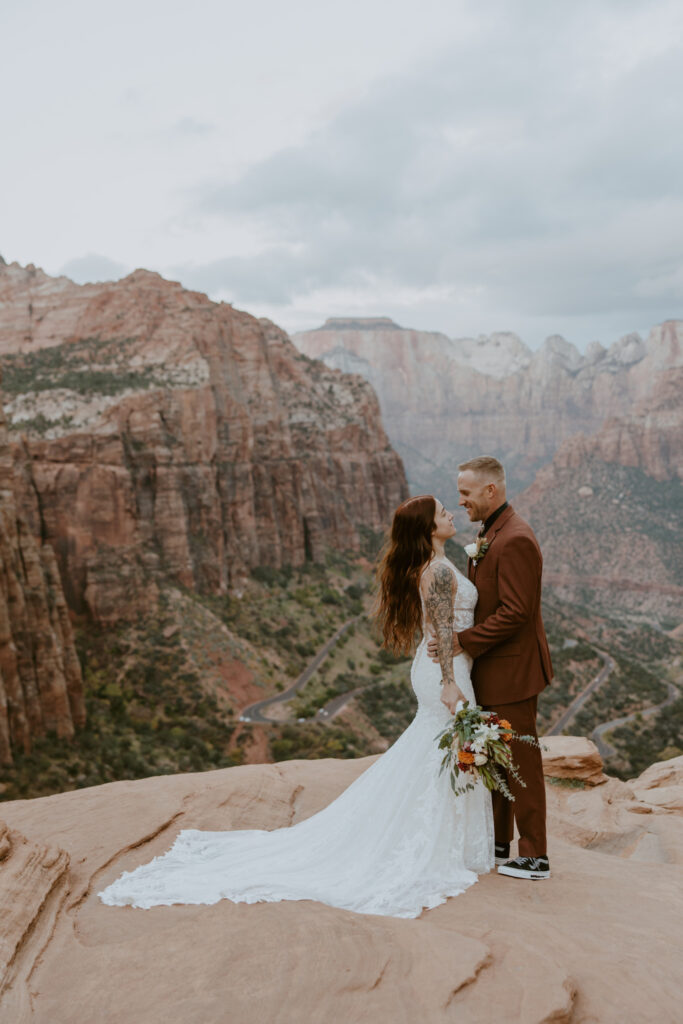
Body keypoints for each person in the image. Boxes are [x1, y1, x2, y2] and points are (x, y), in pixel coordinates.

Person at [99, 495, 493, 918]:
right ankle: (427, 843)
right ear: (428, 529)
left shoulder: (438, 564)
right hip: (443, 675)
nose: (450, 514)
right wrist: (450, 683)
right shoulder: (434, 571)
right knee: (438, 751)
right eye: (441, 513)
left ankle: (435, 838)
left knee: (434, 753)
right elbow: (441, 629)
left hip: (444, 668)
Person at [428, 456, 553, 880]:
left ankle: (535, 855)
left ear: (490, 491)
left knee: (521, 762)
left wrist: (462, 642)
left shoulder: (515, 538)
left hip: (513, 672)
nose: (459, 501)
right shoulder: (491, 531)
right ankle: (500, 843)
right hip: (493, 670)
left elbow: (517, 612)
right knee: (496, 759)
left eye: (465, 493)